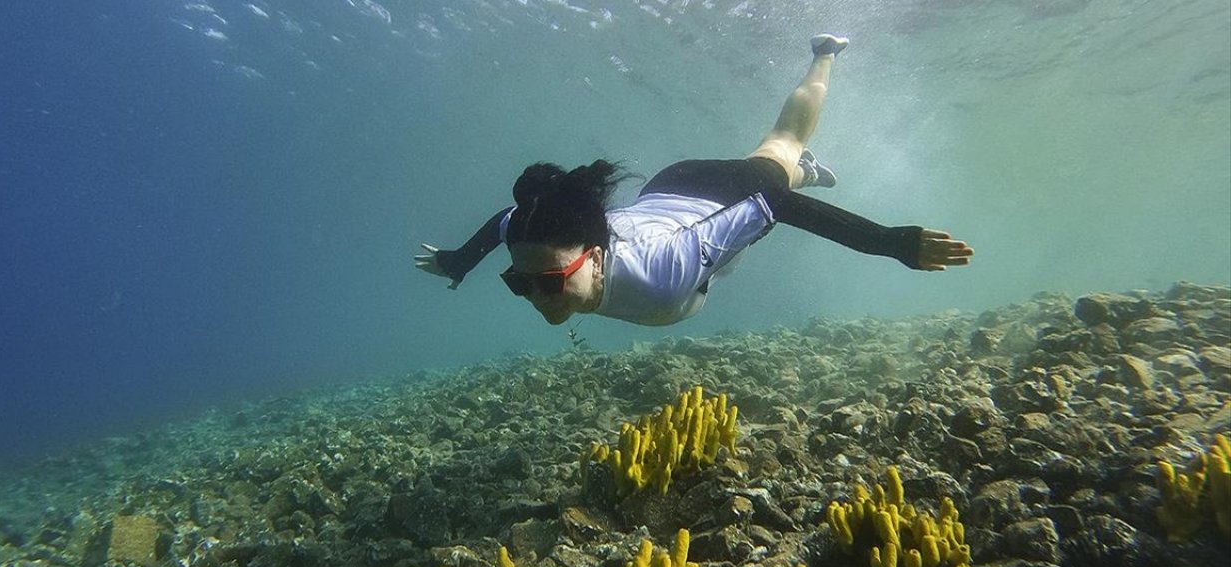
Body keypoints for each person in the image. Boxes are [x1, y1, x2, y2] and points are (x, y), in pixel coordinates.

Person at [415, 35, 973, 326]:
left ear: (596, 252)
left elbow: (774, 205)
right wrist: (460, 261)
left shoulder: (666, 269)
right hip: (667, 187)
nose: (537, 297)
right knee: (780, 171)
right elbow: (510, 219)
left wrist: (890, 242)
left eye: (549, 283)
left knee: (781, 145)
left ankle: (824, 55)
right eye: (521, 283)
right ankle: (807, 169)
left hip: (721, 198)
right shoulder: (546, 230)